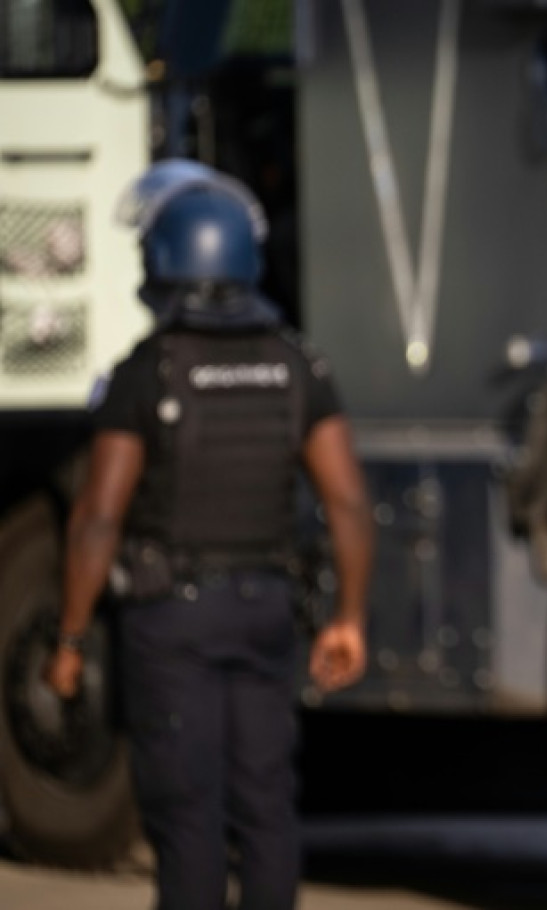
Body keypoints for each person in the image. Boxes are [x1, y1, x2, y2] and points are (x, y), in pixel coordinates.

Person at [44, 160, 374, 910]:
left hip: (173, 622)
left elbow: (98, 518)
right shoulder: (298, 366)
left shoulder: (148, 371)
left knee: (188, 817)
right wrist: (349, 618)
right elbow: (348, 504)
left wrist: (67, 640)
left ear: (161, 263)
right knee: (266, 811)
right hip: (268, 614)